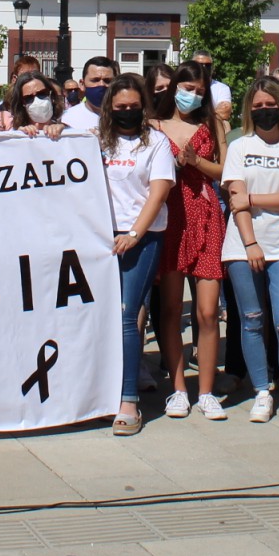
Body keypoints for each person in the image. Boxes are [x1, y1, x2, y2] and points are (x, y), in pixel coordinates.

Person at [221, 79, 279, 426]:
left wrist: (253, 200)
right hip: (243, 245)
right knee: (252, 320)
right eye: (256, 106)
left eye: (269, 104)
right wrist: (250, 244)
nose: (263, 111)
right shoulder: (240, 146)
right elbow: (236, 199)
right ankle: (262, 390)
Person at [97, 75, 175, 434]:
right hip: (99, 240)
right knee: (102, 317)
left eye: (133, 107)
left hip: (141, 239)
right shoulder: (96, 141)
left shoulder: (156, 142)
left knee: (128, 314)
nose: (127, 113)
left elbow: (158, 192)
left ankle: (129, 400)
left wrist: (133, 233)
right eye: (120, 108)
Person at [149, 62, 226, 418]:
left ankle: (206, 391)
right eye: (187, 87)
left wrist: (196, 161)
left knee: (208, 311)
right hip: (169, 217)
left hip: (206, 215)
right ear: (173, 87)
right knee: (168, 309)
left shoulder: (212, 124)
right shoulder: (154, 125)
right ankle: (178, 388)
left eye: (199, 90)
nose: (192, 95)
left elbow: (225, 171)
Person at [62, 57, 117, 133]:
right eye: (95, 80)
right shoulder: (67, 119)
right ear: (82, 84)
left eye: (107, 81)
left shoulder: (123, 118)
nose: (101, 84)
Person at [7, 70, 65, 138]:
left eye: (42, 93)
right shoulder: (13, 134)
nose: (37, 100)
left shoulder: (67, 130)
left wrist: (64, 131)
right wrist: (19, 135)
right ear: (22, 103)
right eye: (28, 98)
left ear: (51, 94)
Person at [190, 50, 234, 122]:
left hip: (211, 127)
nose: (204, 68)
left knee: (225, 125)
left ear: (212, 68)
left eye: (208, 65)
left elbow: (224, 112)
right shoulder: (183, 85)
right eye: (200, 65)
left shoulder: (221, 88)